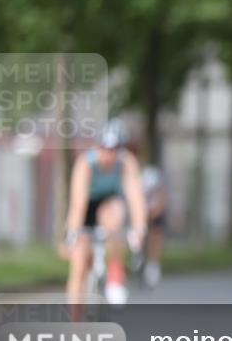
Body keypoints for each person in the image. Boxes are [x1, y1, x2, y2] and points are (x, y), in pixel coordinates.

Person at [61, 119, 147, 307]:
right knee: (79, 265)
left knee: (114, 213)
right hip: (86, 208)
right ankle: (74, 321)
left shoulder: (126, 163)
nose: (110, 154)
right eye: (105, 148)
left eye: (115, 149)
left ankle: (115, 277)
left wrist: (139, 229)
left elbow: (136, 199)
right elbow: (78, 203)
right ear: (98, 147)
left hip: (110, 204)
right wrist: (72, 234)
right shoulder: (86, 163)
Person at [141, 165, 167, 287]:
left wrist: (155, 212)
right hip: (143, 211)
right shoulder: (140, 183)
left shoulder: (158, 186)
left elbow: (162, 199)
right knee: (142, 234)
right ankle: (140, 256)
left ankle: (153, 264)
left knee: (155, 236)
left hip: (156, 213)